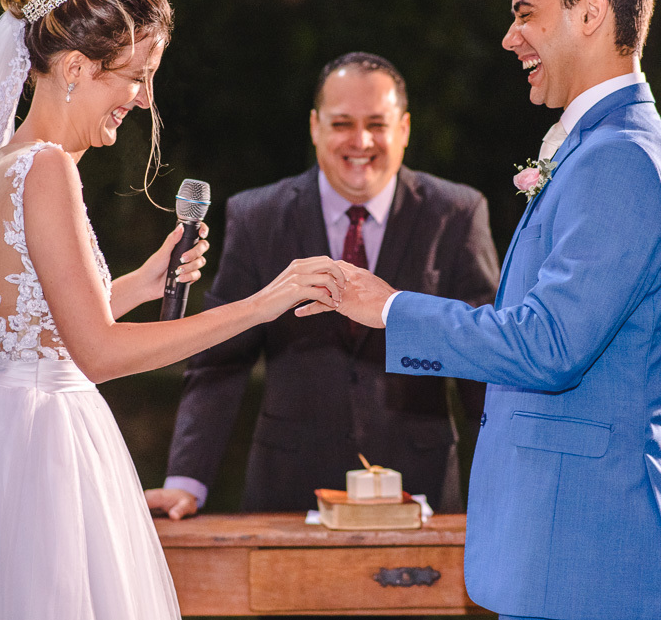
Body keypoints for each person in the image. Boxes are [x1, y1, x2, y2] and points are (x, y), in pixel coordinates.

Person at [0, 0, 344, 620]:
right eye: (136, 77)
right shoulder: (46, 168)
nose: (142, 99)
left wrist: (141, 283)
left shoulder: (14, 163)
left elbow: (33, 324)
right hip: (37, 457)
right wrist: (264, 303)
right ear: (76, 67)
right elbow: (98, 352)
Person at [334, 0, 661, 620]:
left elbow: (549, 346)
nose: (511, 37)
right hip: (558, 551)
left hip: (590, 558)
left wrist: (392, 309)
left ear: (590, 13)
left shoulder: (622, 159)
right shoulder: (600, 149)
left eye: (525, 13)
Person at [144, 53, 499, 519]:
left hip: (420, 492)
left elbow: (483, 365)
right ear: (315, 127)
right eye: (341, 124)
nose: (361, 141)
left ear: (405, 128)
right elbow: (219, 363)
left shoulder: (456, 213)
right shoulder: (258, 217)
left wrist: (511, 487)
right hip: (289, 491)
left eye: (377, 123)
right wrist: (185, 481)